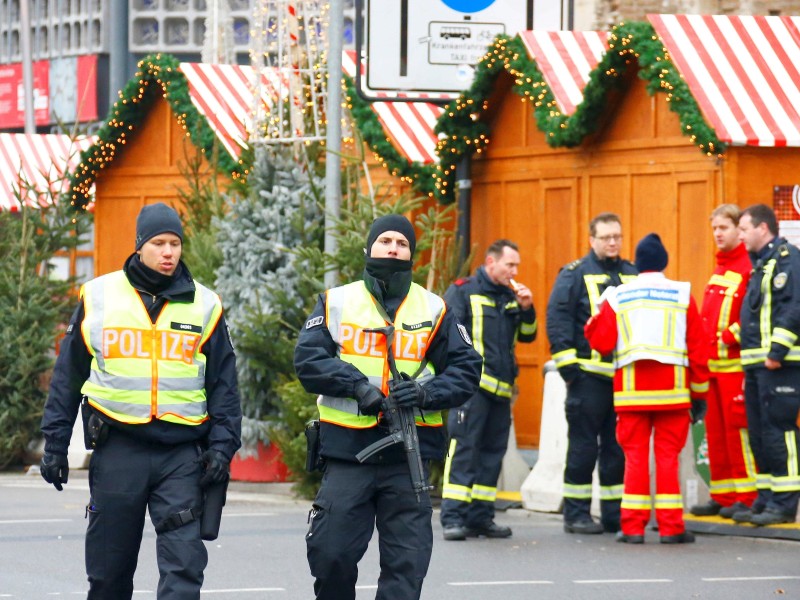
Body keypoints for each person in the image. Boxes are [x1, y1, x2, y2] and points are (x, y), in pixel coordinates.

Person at [40, 202, 243, 599]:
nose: (168, 253)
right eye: (158, 243)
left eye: (175, 244)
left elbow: (225, 386)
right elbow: (67, 378)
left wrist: (222, 448)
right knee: (108, 573)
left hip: (182, 455)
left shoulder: (205, 305)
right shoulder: (98, 297)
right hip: (119, 449)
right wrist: (55, 445)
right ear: (139, 246)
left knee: (184, 570)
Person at [294, 214, 481, 600]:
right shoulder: (336, 301)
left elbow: (466, 369)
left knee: (406, 567)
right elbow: (308, 360)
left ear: (411, 254)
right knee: (331, 556)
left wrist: (426, 395)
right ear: (370, 248)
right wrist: (357, 387)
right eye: (385, 241)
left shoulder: (435, 308)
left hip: (408, 460)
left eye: (401, 243)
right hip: (349, 455)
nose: (393, 248)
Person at [584, 233, 709, 544]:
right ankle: (671, 528)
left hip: (631, 394)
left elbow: (601, 343)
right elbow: (698, 347)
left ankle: (633, 528)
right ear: (664, 262)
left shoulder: (619, 296)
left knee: (636, 459)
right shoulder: (682, 294)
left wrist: (595, 317)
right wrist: (700, 393)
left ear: (637, 264)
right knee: (668, 458)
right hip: (674, 394)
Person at [439, 239, 537, 541]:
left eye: (517, 265)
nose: (514, 271)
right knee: (465, 450)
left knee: (493, 453)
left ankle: (480, 517)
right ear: (491, 262)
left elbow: (528, 337)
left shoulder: (510, 297)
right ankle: (453, 517)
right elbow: (446, 335)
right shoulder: (464, 290)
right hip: (472, 389)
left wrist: (527, 310)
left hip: (501, 389)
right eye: (510, 264)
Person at [546, 212, 637, 535]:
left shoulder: (631, 274)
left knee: (616, 449)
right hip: (586, 378)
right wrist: (568, 367)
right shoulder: (574, 274)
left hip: (623, 380)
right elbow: (558, 319)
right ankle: (576, 514)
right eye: (606, 237)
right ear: (592, 240)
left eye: (617, 236)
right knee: (584, 448)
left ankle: (613, 514)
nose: (613, 242)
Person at [733, 203, 800, 526]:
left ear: (762, 228)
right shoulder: (761, 264)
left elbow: (793, 307)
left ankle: (785, 503)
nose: (740, 236)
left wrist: (776, 351)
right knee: (760, 434)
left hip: (779, 364)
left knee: (779, 430)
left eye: (744, 229)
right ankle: (766, 497)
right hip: (757, 365)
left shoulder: (788, 260)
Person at [689, 204, 757, 519]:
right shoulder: (720, 268)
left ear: (738, 230)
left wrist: (727, 337)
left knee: (737, 433)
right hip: (712, 368)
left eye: (724, 228)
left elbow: (753, 314)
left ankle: (747, 495)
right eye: (714, 228)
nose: (718, 234)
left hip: (736, 368)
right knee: (714, 436)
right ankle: (723, 494)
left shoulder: (748, 267)